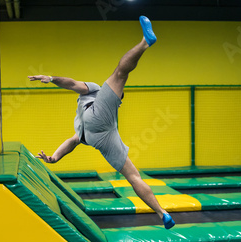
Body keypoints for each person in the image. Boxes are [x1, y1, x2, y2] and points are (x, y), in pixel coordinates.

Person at [29, 16, 175, 229]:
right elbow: (72, 141)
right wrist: (54, 157)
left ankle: (145, 42)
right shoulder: (92, 113)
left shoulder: (95, 91)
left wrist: (51, 78)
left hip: (95, 130)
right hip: (102, 135)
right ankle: (162, 213)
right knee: (133, 175)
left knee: (120, 73)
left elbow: (71, 84)